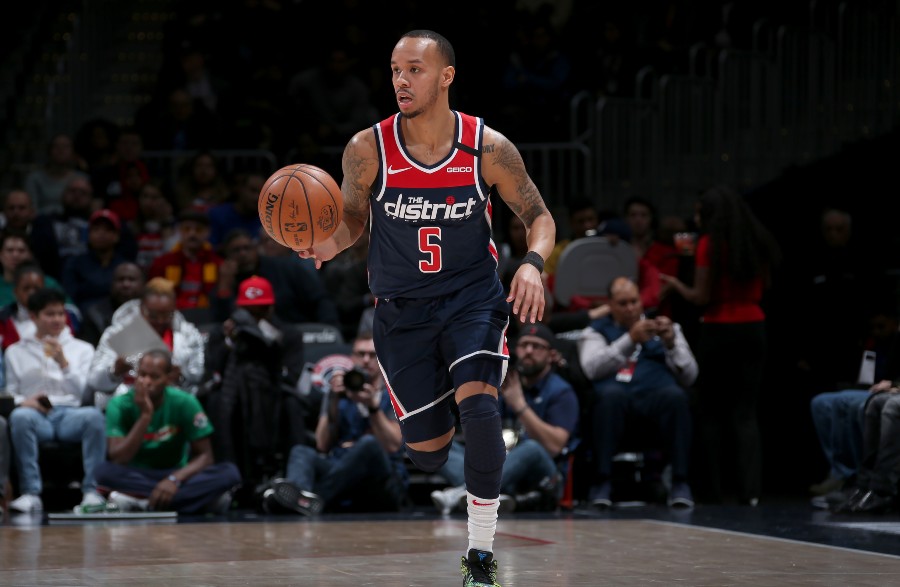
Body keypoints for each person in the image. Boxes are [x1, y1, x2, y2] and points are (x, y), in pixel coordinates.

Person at [297, 30, 555, 587]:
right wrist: (326, 243)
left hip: (472, 299)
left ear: (446, 76)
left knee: (481, 406)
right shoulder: (368, 148)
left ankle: (480, 556)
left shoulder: (487, 147)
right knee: (428, 455)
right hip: (401, 311)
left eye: (414, 69)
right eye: (395, 70)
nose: (401, 80)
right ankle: (445, 435)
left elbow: (539, 215)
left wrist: (533, 263)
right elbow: (352, 219)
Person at [660, 185, 780, 506]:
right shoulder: (757, 239)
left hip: (718, 328)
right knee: (746, 413)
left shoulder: (709, 244)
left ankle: (712, 490)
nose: (697, 220)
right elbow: (766, 284)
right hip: (754, 326)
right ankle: (750, 492)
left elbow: (700, 296)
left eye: (700, 214)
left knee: (711, 412)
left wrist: (676, 285)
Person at [430, 322, 579, 515]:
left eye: (537, 346)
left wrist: (520, 406)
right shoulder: (506, 383)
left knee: (532, 448)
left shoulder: (561, 391)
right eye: (524, 345)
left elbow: (554, 446)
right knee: (439, 445)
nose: (528, 351)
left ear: (551, 355)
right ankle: (487, 493)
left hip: (543, 477)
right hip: (504, 466)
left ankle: (464, 492)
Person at [577, 276, 698, 508]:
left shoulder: (666, 328)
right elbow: (592, 368)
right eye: (623, 303)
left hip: (655, 397)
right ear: (610, 305)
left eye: (634, 301)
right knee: (610, 397)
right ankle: (602, 481)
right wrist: (630, 339)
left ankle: (680, 482)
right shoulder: (595, 331)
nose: (630, 308)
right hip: (618, 399)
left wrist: (671, 343)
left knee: (676, 397)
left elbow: (690, 376)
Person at [265, 332, 407, 516]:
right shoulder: (338, 392)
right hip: (341, 473)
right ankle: (301, 497)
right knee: (301, 451)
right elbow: (322, 445)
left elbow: (393, 446)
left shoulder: (395, 392)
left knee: (369, 445)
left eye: (372, 355)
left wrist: (372, 407)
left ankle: (300, 500)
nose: (366, 360)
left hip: (381, 480)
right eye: (360, 354)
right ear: (352, 358)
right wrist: (333, 399)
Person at [92, 350, 241, 514]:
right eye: (142, 375)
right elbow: (119, 457)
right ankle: (191, 503)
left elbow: (206, 457)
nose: (146, 381)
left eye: (154, 377)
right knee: (102, 472)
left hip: (175, 472)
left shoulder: (185, 402)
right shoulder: (119, 404)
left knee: (230, 473)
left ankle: (145, 503)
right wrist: (145, 416)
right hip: (138, 474)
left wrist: (173, 480)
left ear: (168, 378)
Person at [203, 275, 309, 500]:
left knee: (292, 405)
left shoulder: (287, 334)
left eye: (259, 311)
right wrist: (229, 342)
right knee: (216, 401)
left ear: (271, 308)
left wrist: (269, 342)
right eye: (248, 312)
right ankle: (227, 478)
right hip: (233, 393)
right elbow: (213, 369)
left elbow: (290, 376)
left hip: (274, 391)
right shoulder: (222, 333)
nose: (253, 318)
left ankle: (294, 482)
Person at [5, 288, 105, 514]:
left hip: (71, 413)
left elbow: (84, 394)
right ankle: (31, 494)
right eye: (50, 314)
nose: (58, 319)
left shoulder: (82, 349)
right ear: (33, 316)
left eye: (61, 314)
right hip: (36, 414)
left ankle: (92, 492)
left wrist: (64, 363)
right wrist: (23, 401)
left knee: (94, 417)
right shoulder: (15, 352)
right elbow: (11, 392)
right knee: (20, 416)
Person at [88, 277, 206, 402]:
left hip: (171, 403)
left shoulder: (188, 334)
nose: (160, 321)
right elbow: (94, 381)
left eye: (167, 315)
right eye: (153, 316)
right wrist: (114, 372)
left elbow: (197, 377)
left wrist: (181, 378)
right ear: (141, 308)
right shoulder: (118, 332)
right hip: (126, 402)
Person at [213, 228, 339, 326]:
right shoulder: (226, 279)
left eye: (247, 248)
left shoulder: (286, 268)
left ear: (256, 248)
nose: (243, 254)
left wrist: (329, 328)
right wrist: (224, 286)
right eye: (236, 250)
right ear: (227, 255)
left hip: (296, 331)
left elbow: (320, 299)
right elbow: (221, 321)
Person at [148, 208, 223, 310]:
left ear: (207, 232)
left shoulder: (218, 264)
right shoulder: (162, 263)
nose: (192, 234)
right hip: (172, 313)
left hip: (207, 313)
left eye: (198, 230)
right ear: (179, 231)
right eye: (186, 229)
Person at [62, 209, 128, 316]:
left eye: (107, 229)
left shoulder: (124, 266)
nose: (101, 233)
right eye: (96, 229)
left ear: (116, 236)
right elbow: (70, 298)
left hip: (119, 317)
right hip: (84, 318)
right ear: (88, 234)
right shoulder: (75, 264)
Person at [78, 262, 145, 347]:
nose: (126, 284)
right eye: (120, 279)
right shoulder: (95, 314)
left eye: (131, 279)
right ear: (111, 283)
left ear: (143, 284)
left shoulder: (152, 312)